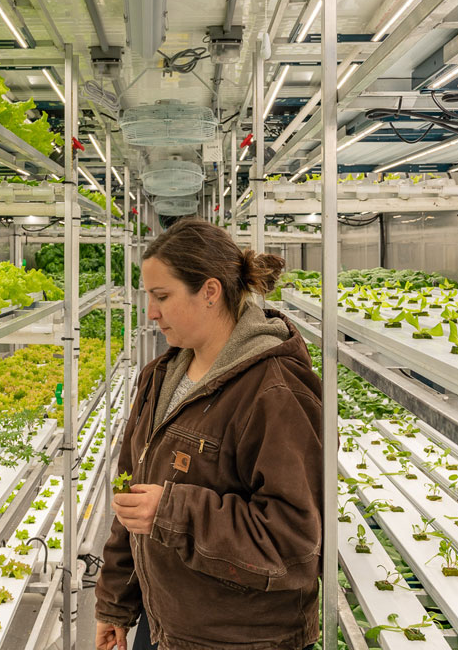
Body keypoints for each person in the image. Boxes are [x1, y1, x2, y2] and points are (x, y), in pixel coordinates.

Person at [94, 218, 323, 650]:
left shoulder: (274, 391)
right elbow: (133, 496)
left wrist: (174, 511)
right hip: (166, 626)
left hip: (244, 639)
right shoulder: (159, 377)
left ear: (210, 293)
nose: (151, 312)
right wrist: (116, 604)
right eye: (149, 296)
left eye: (162, 296)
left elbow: (293, 543)